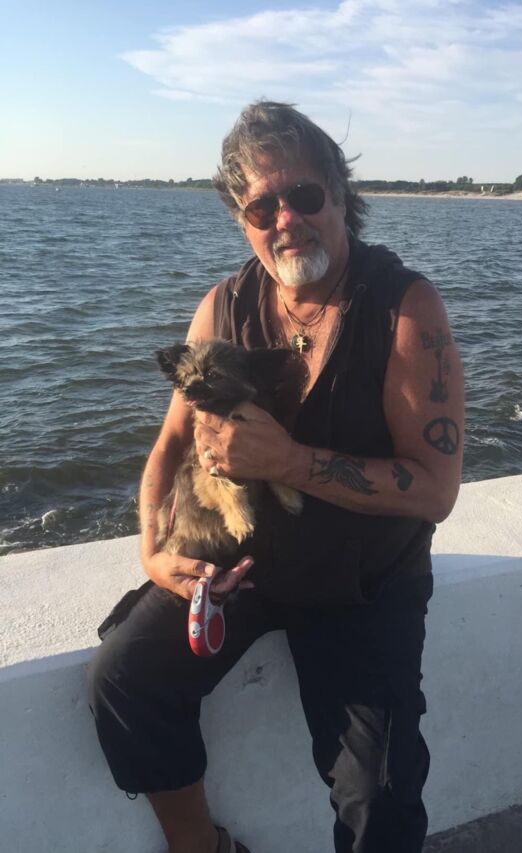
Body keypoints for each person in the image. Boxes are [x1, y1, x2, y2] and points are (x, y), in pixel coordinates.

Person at [88, 100, 464, 853]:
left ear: (340, 195)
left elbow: (435, 489)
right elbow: (167, 447)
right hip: (246, 569)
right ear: (242, 220)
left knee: (379, 797)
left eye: (304, 195)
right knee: (125, 678)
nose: (286, 219)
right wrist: (153, 553)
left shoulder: (403, 308)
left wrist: (288, 462)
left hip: (363, 583)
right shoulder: (222, 309)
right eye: (262, 207)